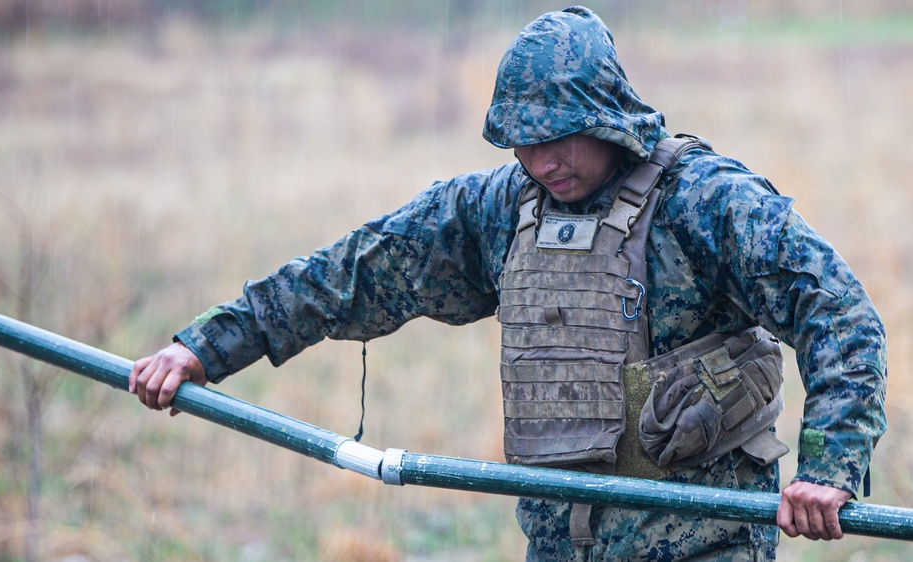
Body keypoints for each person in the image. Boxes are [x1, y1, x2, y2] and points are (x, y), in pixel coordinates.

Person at [129, 6, 887, 561]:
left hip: (701, 544)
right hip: (557, 545)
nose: (541, 160)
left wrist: (828, 469)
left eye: (558, 138)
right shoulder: (496, 207)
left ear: (608, 119)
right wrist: (205, 347)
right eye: (523, 143)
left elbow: (840, 317)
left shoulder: (708, 202)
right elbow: (353, 271)